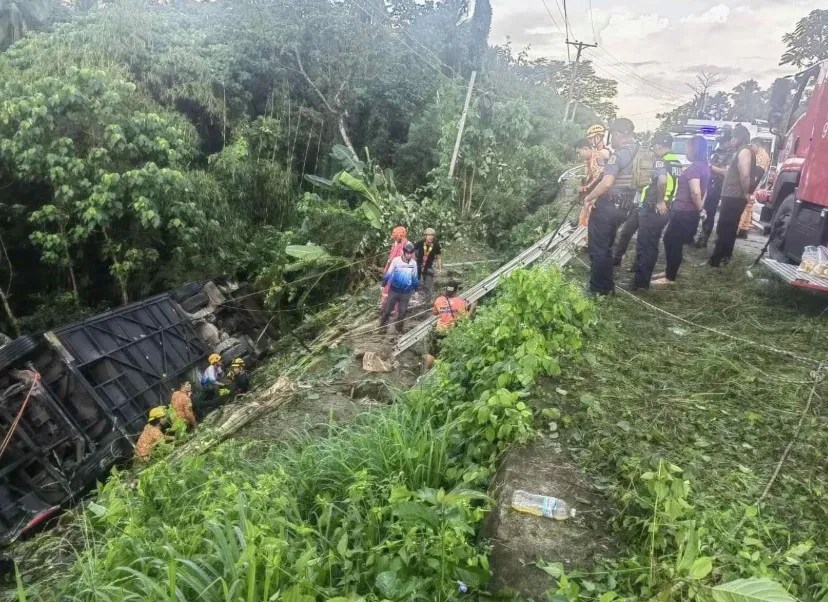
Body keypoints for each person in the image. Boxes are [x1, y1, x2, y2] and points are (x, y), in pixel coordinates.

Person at [581, 118, 641, 295]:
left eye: (611, 135)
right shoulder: (640, 151)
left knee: (598, 248)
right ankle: (607, 286)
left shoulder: (619, 154)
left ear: (618, 134)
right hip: (625, 208)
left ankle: (597, 289)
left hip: (608, 206)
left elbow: (607, 183)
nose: (610, 140)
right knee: (607, 247)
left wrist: (589, 198)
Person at [622, 132, 682, 290]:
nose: (653, 149)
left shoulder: (661, 161)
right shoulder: (675, 162)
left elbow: (662, 181)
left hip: (653, 209)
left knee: (645, 246)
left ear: (659, 145)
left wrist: (660, 201)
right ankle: (643, 278)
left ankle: (640, 283)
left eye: (654, 145)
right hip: (666, 209)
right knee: (652, 245)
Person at [653, 135, 710, 285]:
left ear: (694, 149)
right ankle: (669, 270)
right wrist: (701, 209)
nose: (686, 151)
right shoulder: (704, 165)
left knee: (673, 241)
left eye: (687, 147)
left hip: (685, 211)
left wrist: (700, 209)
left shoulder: (695, 168)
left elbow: (696, 192)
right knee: (669, 239)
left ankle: (670, 277)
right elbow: (705, 191)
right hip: (688, 211)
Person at [708, 124, 758, 268]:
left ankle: (716, 260)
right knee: (729, 227)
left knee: (725, 227)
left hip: (734, 196)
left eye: (733, 138)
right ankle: (724, 258)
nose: (731, 141)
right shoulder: (741, 151)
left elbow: (745, 174)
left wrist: (746, 192)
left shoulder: (744, 152)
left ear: (739, 138)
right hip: (732, 195)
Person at [695, 127, 736, 248]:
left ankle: (704, 239)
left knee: (710, 212)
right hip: (708, 183)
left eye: (724, 141)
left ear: (730, 141)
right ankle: (693, 235)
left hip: (719, 186)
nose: (722, 143)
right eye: (721, 141)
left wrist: (710, 167)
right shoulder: (716, 151)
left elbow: (726, 173)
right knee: (699, 208)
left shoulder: (732, 154)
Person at [424, 281, 474, 370]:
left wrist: (444, 310)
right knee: (446, 355)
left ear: (446, 289)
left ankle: (426, 372)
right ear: (456, 290)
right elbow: (465, 319)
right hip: (451, 332)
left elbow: (435, 312)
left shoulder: (439, 299)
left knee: (432, 353)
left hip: (439, 330)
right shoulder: (460, 302)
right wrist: (472, 307)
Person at [379, 242, 419, 334]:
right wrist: (383, 284)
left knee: (402, 312)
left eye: (411, 253)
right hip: (394, 290)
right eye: (408, 253)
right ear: (404, 252)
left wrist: (416, 290)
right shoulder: (396, 260)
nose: (409, 255)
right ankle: (382, 326)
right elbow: (389, 273)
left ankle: (399, 328)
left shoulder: (414, 263)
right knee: (388, 310)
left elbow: (414, 277)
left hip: (406, 292)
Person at [737, 138, 771, 238]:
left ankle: (742, 229)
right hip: (754, 183)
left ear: (757, 145)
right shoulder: (758, 154)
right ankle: (743, 229)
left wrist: (751, 186)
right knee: (748, 207)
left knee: (746, 206)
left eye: (752, 146)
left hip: (754, 184)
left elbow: (758, 172)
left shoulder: (762, 156)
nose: (751, 148)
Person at [381, 226, 408, 310]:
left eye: (396, 237)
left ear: (401, 236)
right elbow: (390, 258)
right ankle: (385, 307)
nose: (395, 239)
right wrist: (386, 269)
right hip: (391, 272)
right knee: (386, 290)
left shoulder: (407, 245)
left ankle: (394, 309)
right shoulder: (396, 244)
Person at [414, 228, 442, 305]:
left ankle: (428, 302)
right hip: (418, 267)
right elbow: (411, 250)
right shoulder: (420, 243)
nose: (430, 237)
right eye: (428, 235)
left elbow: (439, 257)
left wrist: (439, 268)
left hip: (428, 268)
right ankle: (418, 299)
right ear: (425, 236)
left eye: (432, 235)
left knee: (428, 285)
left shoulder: (436, 245)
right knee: (417, 284)